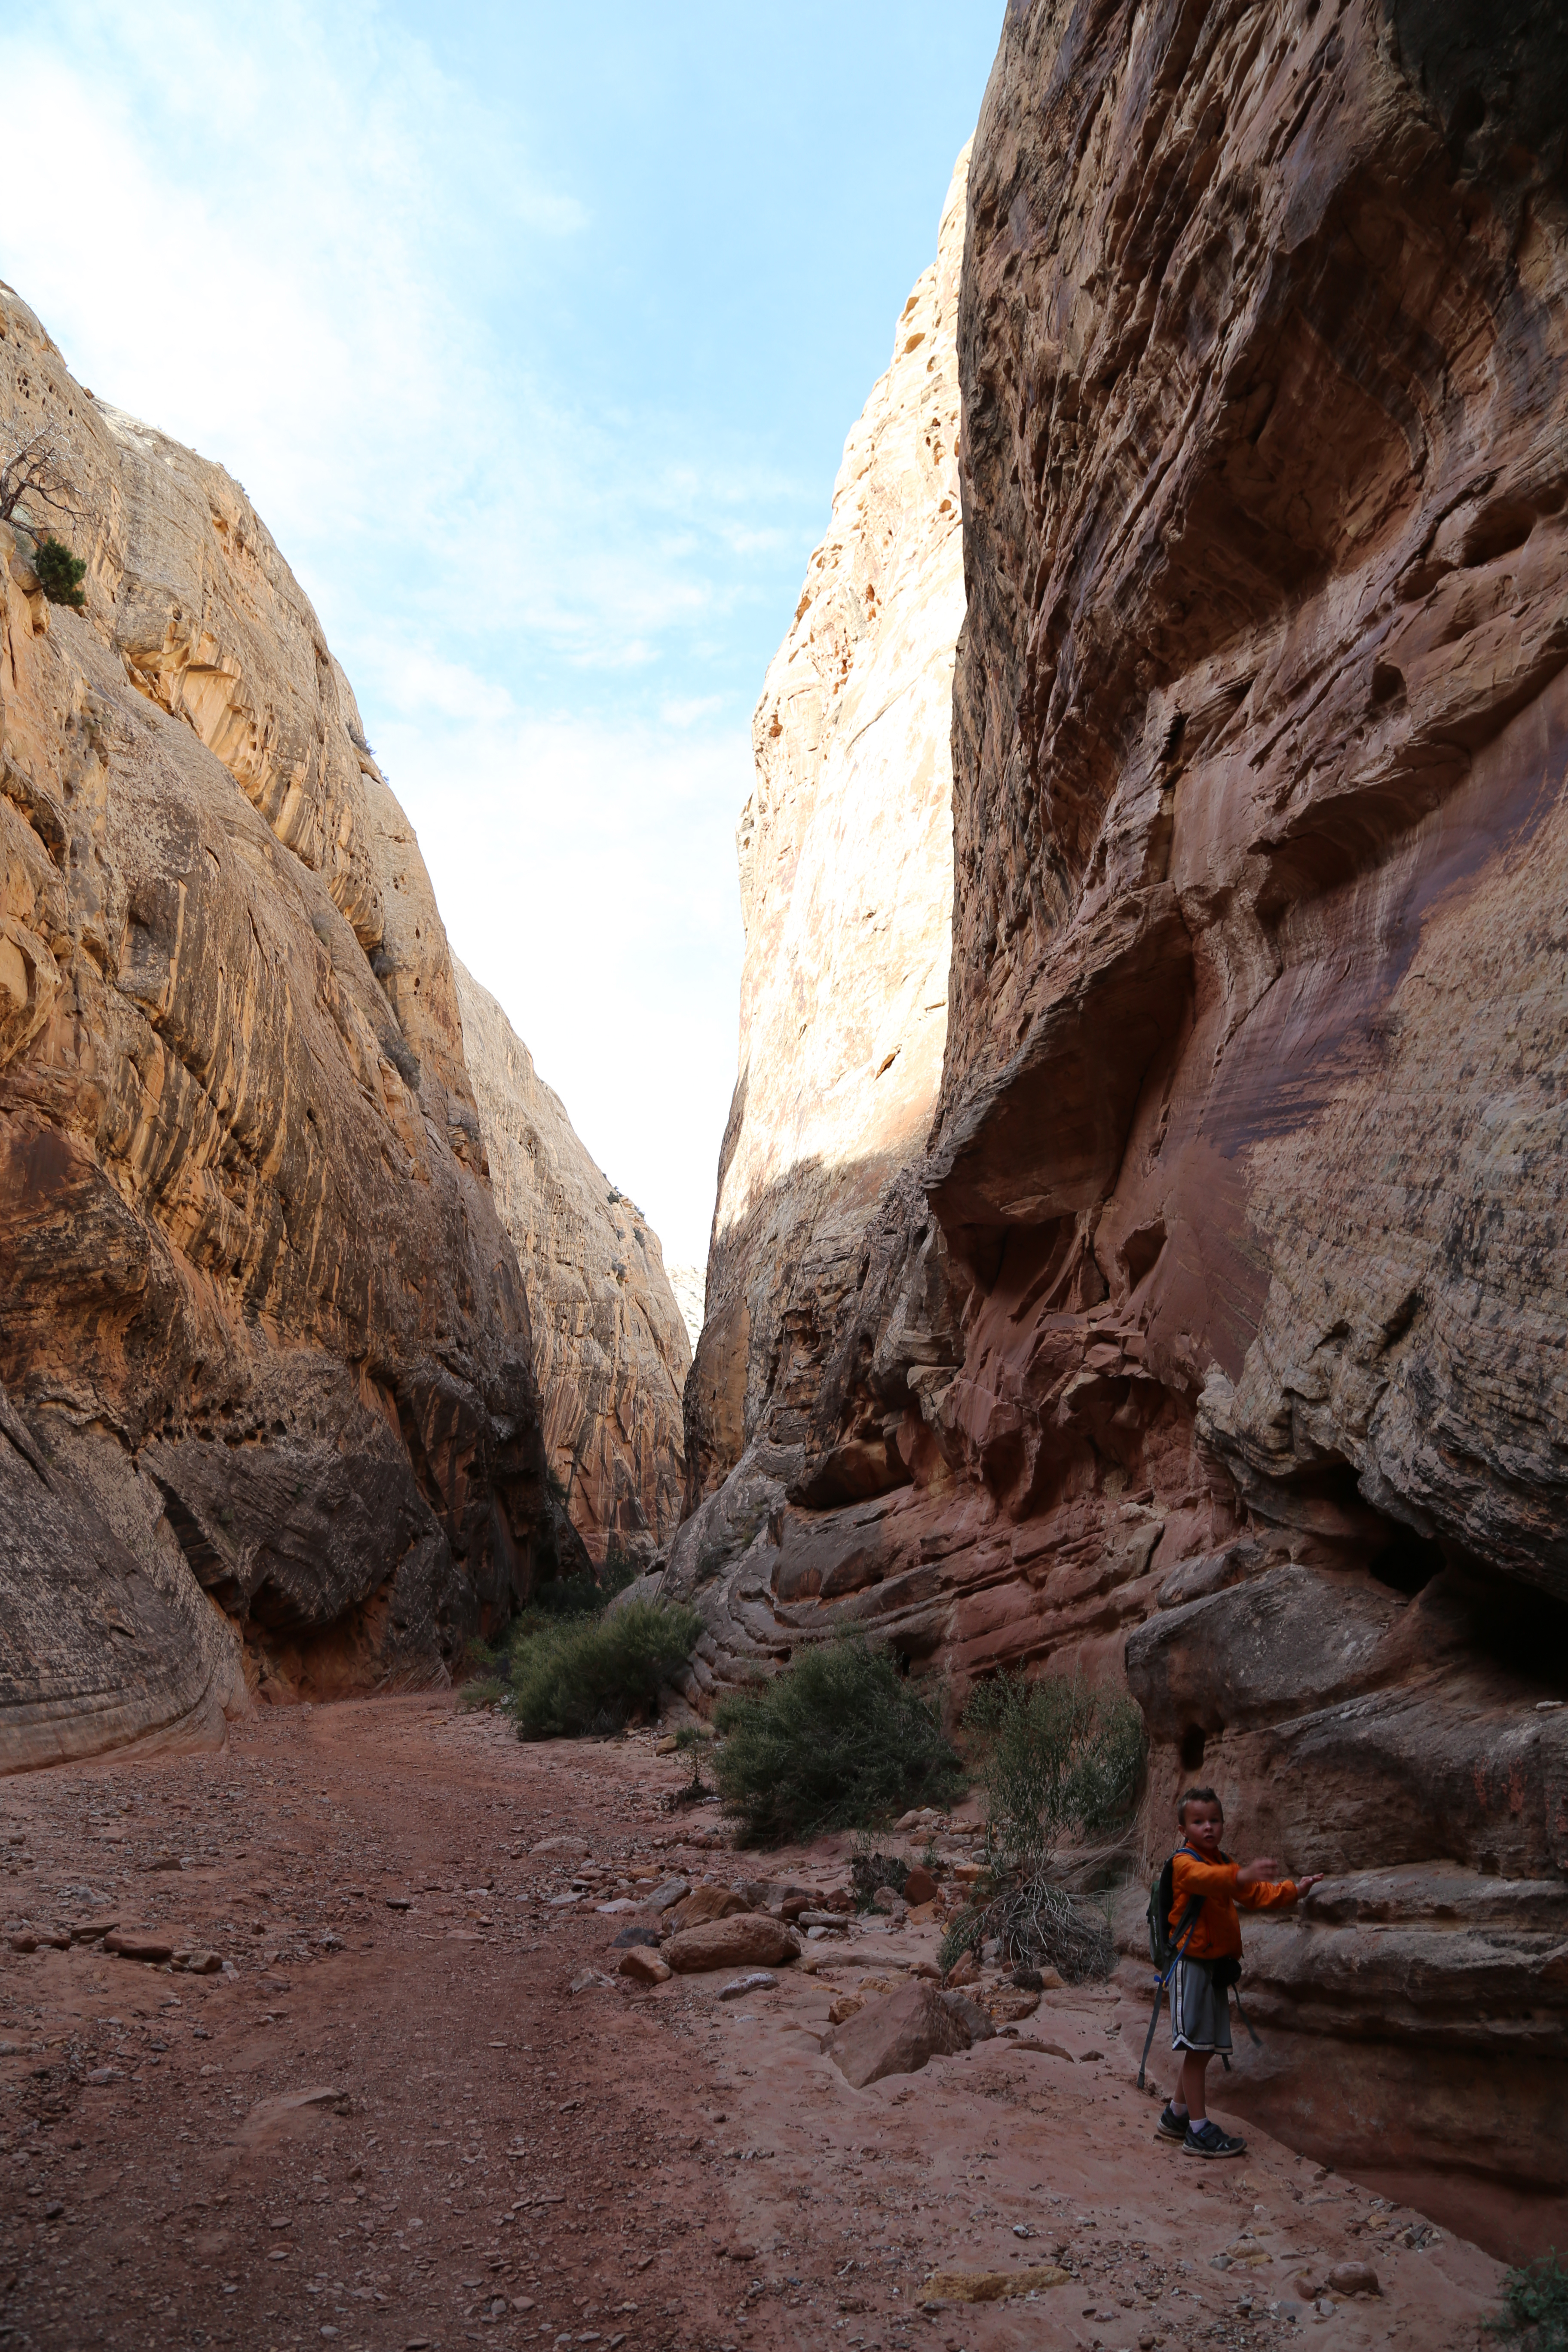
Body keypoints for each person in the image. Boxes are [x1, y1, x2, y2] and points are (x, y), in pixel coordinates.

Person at [1156, 1785, 1321, 2159]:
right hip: (1191, 1966)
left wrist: (1296, 1891)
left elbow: (1256, 1894)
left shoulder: (1221, 1862)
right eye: (1198, 1822)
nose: (1208, 1828)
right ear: (1183, 1829)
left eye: (1214, 1820)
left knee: (1203, 2047)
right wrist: (1242, 1874)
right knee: (1198, 2049)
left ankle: (1176, 2116)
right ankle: (1198, 2132)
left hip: (1214, 1968)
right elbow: (1210, 1881)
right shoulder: (1186, 1863)